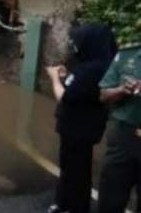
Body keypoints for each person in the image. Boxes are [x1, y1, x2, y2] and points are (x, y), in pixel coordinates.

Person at [45, 23, 117, 213]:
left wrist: (54, 77)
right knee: (70, 168)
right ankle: (63, 203)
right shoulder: (91, 64)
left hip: (79, 128)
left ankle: (75, 207)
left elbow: (64, 96)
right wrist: (67, 75)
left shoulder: (93, 69)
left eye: (79, 41)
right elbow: (79, 89)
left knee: (77, 171)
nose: (75, 45)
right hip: (77, 126)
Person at [97, 40, 141, 213]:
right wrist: (123, 90)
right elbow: (103, 95)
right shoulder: (127, 55)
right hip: (124, 138)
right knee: (110, 199)